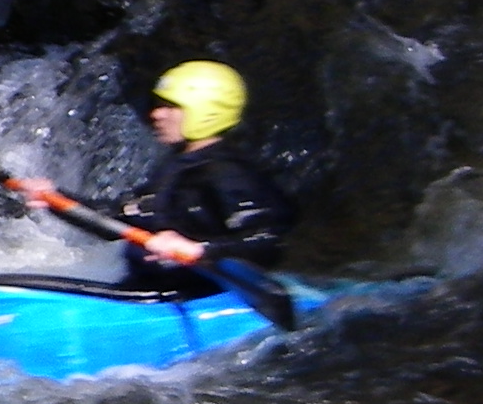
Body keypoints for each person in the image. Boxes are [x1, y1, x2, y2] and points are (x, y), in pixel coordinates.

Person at [15, 60, 294, 294]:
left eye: (171, 106)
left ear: (207, 112)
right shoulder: (177, 168)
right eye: (159, 104)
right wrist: (56, 199)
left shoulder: (229, 174)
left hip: (193, 296)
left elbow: (268, 239)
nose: (156, 114)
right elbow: (120, 219)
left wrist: (201, 250)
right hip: (150, 290)